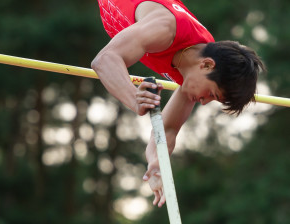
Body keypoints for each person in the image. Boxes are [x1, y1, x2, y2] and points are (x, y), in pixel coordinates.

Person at [91, 0, 265, 208]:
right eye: (211, 93)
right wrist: (133, 98)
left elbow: (169, 129)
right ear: (207, 65)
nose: (204, 102)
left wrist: (157, 162)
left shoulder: (194, 67)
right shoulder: (166, 29)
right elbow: (104, 60)